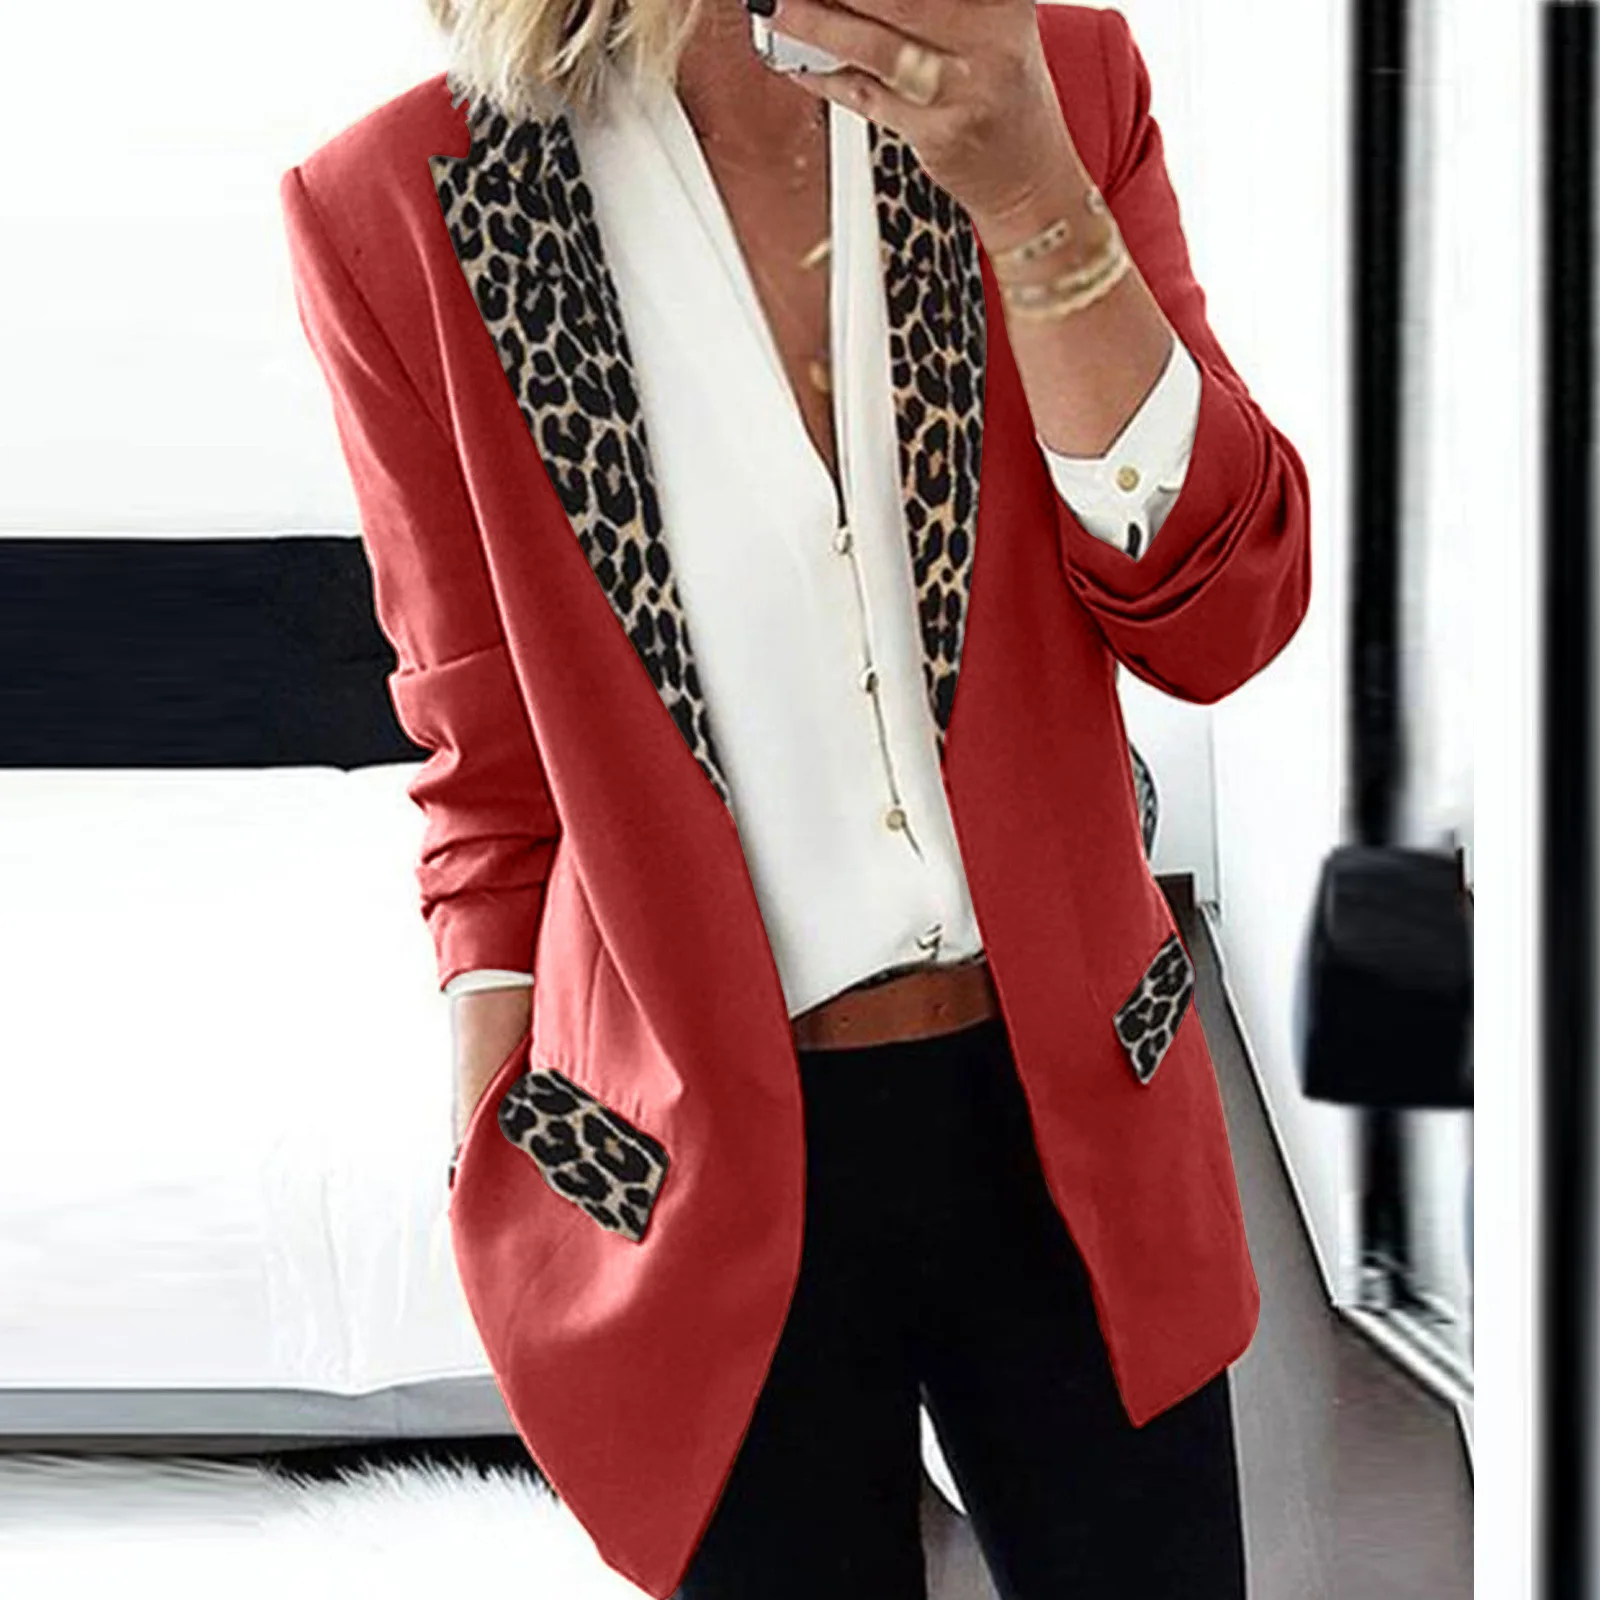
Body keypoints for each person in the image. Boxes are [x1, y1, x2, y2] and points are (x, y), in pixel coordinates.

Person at [280, 1, 1311, 1594]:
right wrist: (502, 1147)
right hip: (697, 1171)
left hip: (1070, 1109)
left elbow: (1222, 616)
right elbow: (482, 754)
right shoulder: (397, 202)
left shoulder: (1046, 77)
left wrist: (1036, 199)